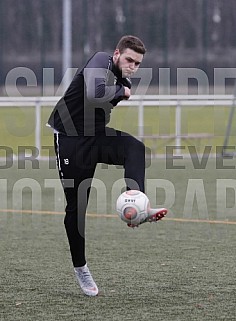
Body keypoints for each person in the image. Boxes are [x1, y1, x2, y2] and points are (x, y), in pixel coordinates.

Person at [47, 35, 167, 296]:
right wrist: (122, 91)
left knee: (135, 148)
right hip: (70, 140)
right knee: (77, 208)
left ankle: (137, 204)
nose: (133, 67)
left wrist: (122, 88)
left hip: (97, 136)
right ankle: (80, 267)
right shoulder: (100, 61)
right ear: (116, 54)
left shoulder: (122, 76)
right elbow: (94, 92)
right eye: (129, 60)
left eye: (137, 63)